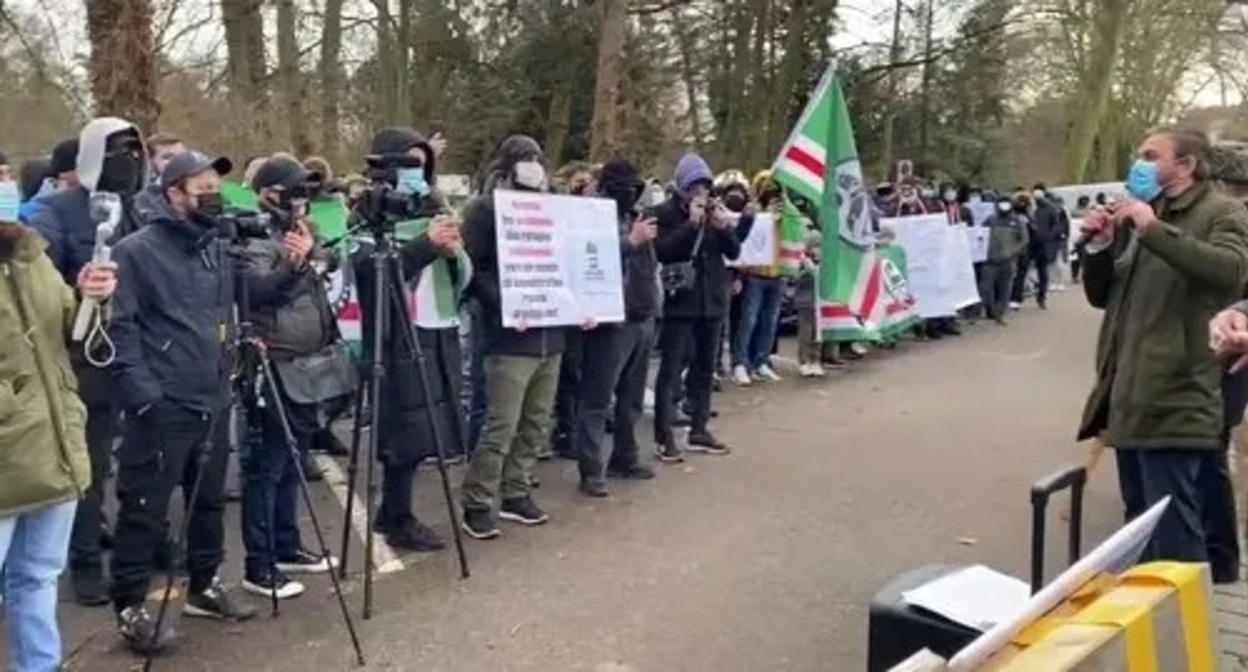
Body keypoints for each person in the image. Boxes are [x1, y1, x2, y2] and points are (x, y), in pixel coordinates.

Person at [108, 151, 289, 653]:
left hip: (213, 396)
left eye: (215, 184)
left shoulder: (217, 245)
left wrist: (294, 268)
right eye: (200, 185)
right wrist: (145, 394)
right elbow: (119, 328)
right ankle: (129, 604)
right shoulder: (136, 250)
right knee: (144, 507)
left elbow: (249, 295)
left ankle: (205, 584)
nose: (212, 192)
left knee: (208, 500)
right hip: (163, 404)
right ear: (173, 195)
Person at [1078, 126, 1248, 580]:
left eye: (1151, 155)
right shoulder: (1145, 214)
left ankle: (1189, 639)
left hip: (1177, 394)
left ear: (1186, 165)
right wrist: (1097, 247)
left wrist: (1152, 229)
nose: (1139, 162)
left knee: (1174, 538)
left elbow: (1228, 272)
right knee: (1141, 529)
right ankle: (1155, 632)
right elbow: (1106, 296)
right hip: (1130, 394)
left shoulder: (1221, 212)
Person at [26, 117, 148, 606]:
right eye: (121, 152)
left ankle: (142, 543)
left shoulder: (143, 211)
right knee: (90, 468)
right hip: (85, 358)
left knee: (144, 459)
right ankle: (84, 562)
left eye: (137, 152)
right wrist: (80, 286)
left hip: (140, 350)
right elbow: (38, 279)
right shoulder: (54, 213)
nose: (132, 162)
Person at [0, 214, 116, 672]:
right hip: (10, 453)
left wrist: (92, 298)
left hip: (56, 447)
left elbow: (72, 330)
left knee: (39, 577)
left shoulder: (31, 253)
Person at [355, 127, 470, 550]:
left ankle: (397, 510)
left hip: (436, 325)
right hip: (394, 333)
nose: (419, 174)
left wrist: (455, 252)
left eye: (424, 166)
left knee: (428, 426)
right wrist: (426, 246)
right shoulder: (366, 212)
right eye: (411, 165)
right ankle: (396, 514)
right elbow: (371, 273)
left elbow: (461, 269)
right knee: (403, 429)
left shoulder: (431, 205)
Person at [234, 155, 343, 599]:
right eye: (293, 191)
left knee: (294, 461)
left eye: (306, 192)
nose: (302, 200)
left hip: (308, 363)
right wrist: (295, 265)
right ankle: (258, 564)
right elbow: (258, 291)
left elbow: (331, 258)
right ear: (269, 193)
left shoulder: (297, 232)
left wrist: (312, 254)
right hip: (271, 363)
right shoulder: (250, 236)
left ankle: (287, 544)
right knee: (266, 467)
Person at [460, 134, 565, 539]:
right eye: (524, 158)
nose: (532, 164)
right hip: (509, 337)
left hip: (550, 334)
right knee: (501, 424)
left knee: (536, 422)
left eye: (536, 157)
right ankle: (478, 499)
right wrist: (507, 305)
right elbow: (474, 272)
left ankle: (516, 490)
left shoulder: (554, 211)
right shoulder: (485, 211)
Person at [575, 158, 660, 497]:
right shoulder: (590, 216)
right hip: (609, 319)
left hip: (641, 314)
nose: (632, 194)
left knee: (632, 397)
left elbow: (650, 264)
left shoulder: (633, 215)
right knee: (597, 398)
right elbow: (587, 257)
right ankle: (591, 470)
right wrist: (631, 242)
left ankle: (626, 456)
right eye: (626, 188)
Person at [653, 152, 744, 463]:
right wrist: (690, 225)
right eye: (694, 186)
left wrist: (723, 228)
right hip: (681, 302)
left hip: (712, 303)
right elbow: (663, 252)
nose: (700, 192)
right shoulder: (664, 212)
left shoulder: (715, 213)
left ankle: (699, 428)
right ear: (682, 186)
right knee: (672, 369)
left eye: (705, 185)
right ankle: (664, 436)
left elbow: (734, 252)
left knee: (705, 369)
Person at [549, 161, 598, 459]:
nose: (585, 187)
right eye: (580, 182)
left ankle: (571, 426)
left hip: (583, 300)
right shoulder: (557, 209)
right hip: (560, 301)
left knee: (578, 371)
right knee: (567, 372)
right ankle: (564, 430)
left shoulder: (592, 214)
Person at [729, 172, 783, 386]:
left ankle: (761, 361)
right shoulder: (752, 211)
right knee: (748, 320)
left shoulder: (784, 212)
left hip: (777, 272)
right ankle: (740, 363)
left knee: (769, 322)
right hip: (755, 273)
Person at [1012, 184, 1066, 310]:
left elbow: (1057, 226)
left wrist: (1048, 236)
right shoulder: (1025, 206)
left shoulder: (1050, 209)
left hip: (1042, 244)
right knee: (1022, 271)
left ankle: (1041, 297)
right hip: (1028, 244)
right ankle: (1016, 298)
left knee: (1043, 272)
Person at [978, 196, 1029, 324]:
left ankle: (1000, 313)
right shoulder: (991, 220)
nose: (1004, 206)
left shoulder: (1017, 221)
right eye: (1001, 203)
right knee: (985, 287)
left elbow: (1024, 240)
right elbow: (980, 235)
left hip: (1008, 261)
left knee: (1005, 289)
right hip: (990, 261)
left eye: (1006, 203)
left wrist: (1013, 252)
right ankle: (984, 310)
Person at [132, 132, 186, 228]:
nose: (177, 162)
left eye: (182, 156)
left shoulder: (201, 191)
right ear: (150, 162)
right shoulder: (144, 200)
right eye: (167, 157)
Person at [794, 230, 824, 377]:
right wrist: (806, 270)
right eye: (815, 245)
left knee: (818, 334)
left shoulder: (824, 261)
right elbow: (795, 279)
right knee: (805, 332)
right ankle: (803, 361)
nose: (818, 248)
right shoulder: (802, 260)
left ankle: (815, 360)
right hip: (805, 301)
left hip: (820, 303)